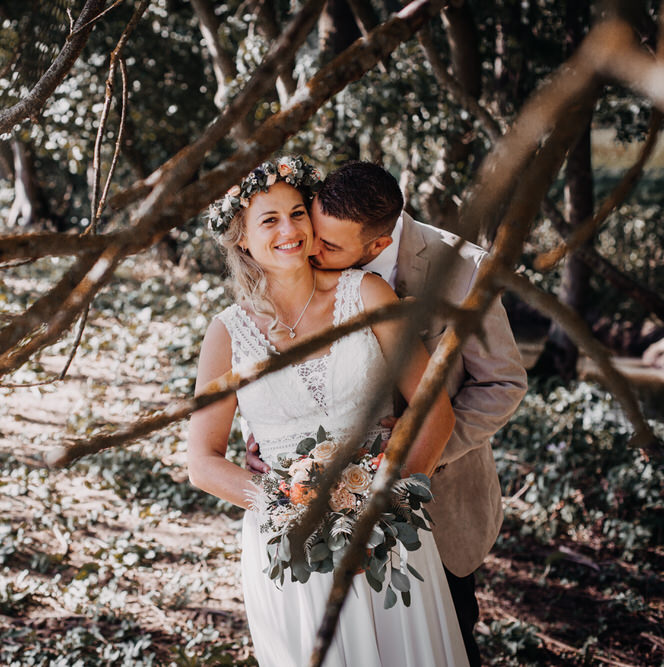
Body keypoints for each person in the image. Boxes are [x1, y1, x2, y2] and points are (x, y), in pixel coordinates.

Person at [187, 156, 469, 666]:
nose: (290, 229)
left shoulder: (368, 294)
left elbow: (435, 412)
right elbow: (202, 461)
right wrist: (287, 509)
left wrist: (387, 504)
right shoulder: (226, 334)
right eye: (269, 219)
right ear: (242, 238)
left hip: (388, 529)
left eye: (297, 213)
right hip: (289, 546)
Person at [246, 161, 528, 666]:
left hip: (441, 503)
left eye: (330, 247)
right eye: (314, 231)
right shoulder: (306, 248)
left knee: (443, 640)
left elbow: (502, 381)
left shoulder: (463, 270)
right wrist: (267, 431)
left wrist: (418, 452)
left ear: (376, 247)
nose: (311, 249)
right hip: (318, 503)